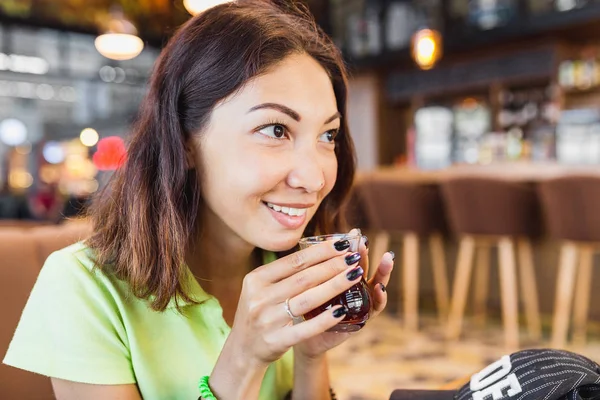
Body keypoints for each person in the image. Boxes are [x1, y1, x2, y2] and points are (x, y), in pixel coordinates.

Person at [3, 1, 394, 399]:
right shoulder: (82, 286)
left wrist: (311, 356)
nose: (314, 178)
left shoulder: (288, 269)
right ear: (185, 141)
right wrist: (244, 357)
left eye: (327, 136)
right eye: (276, 129)